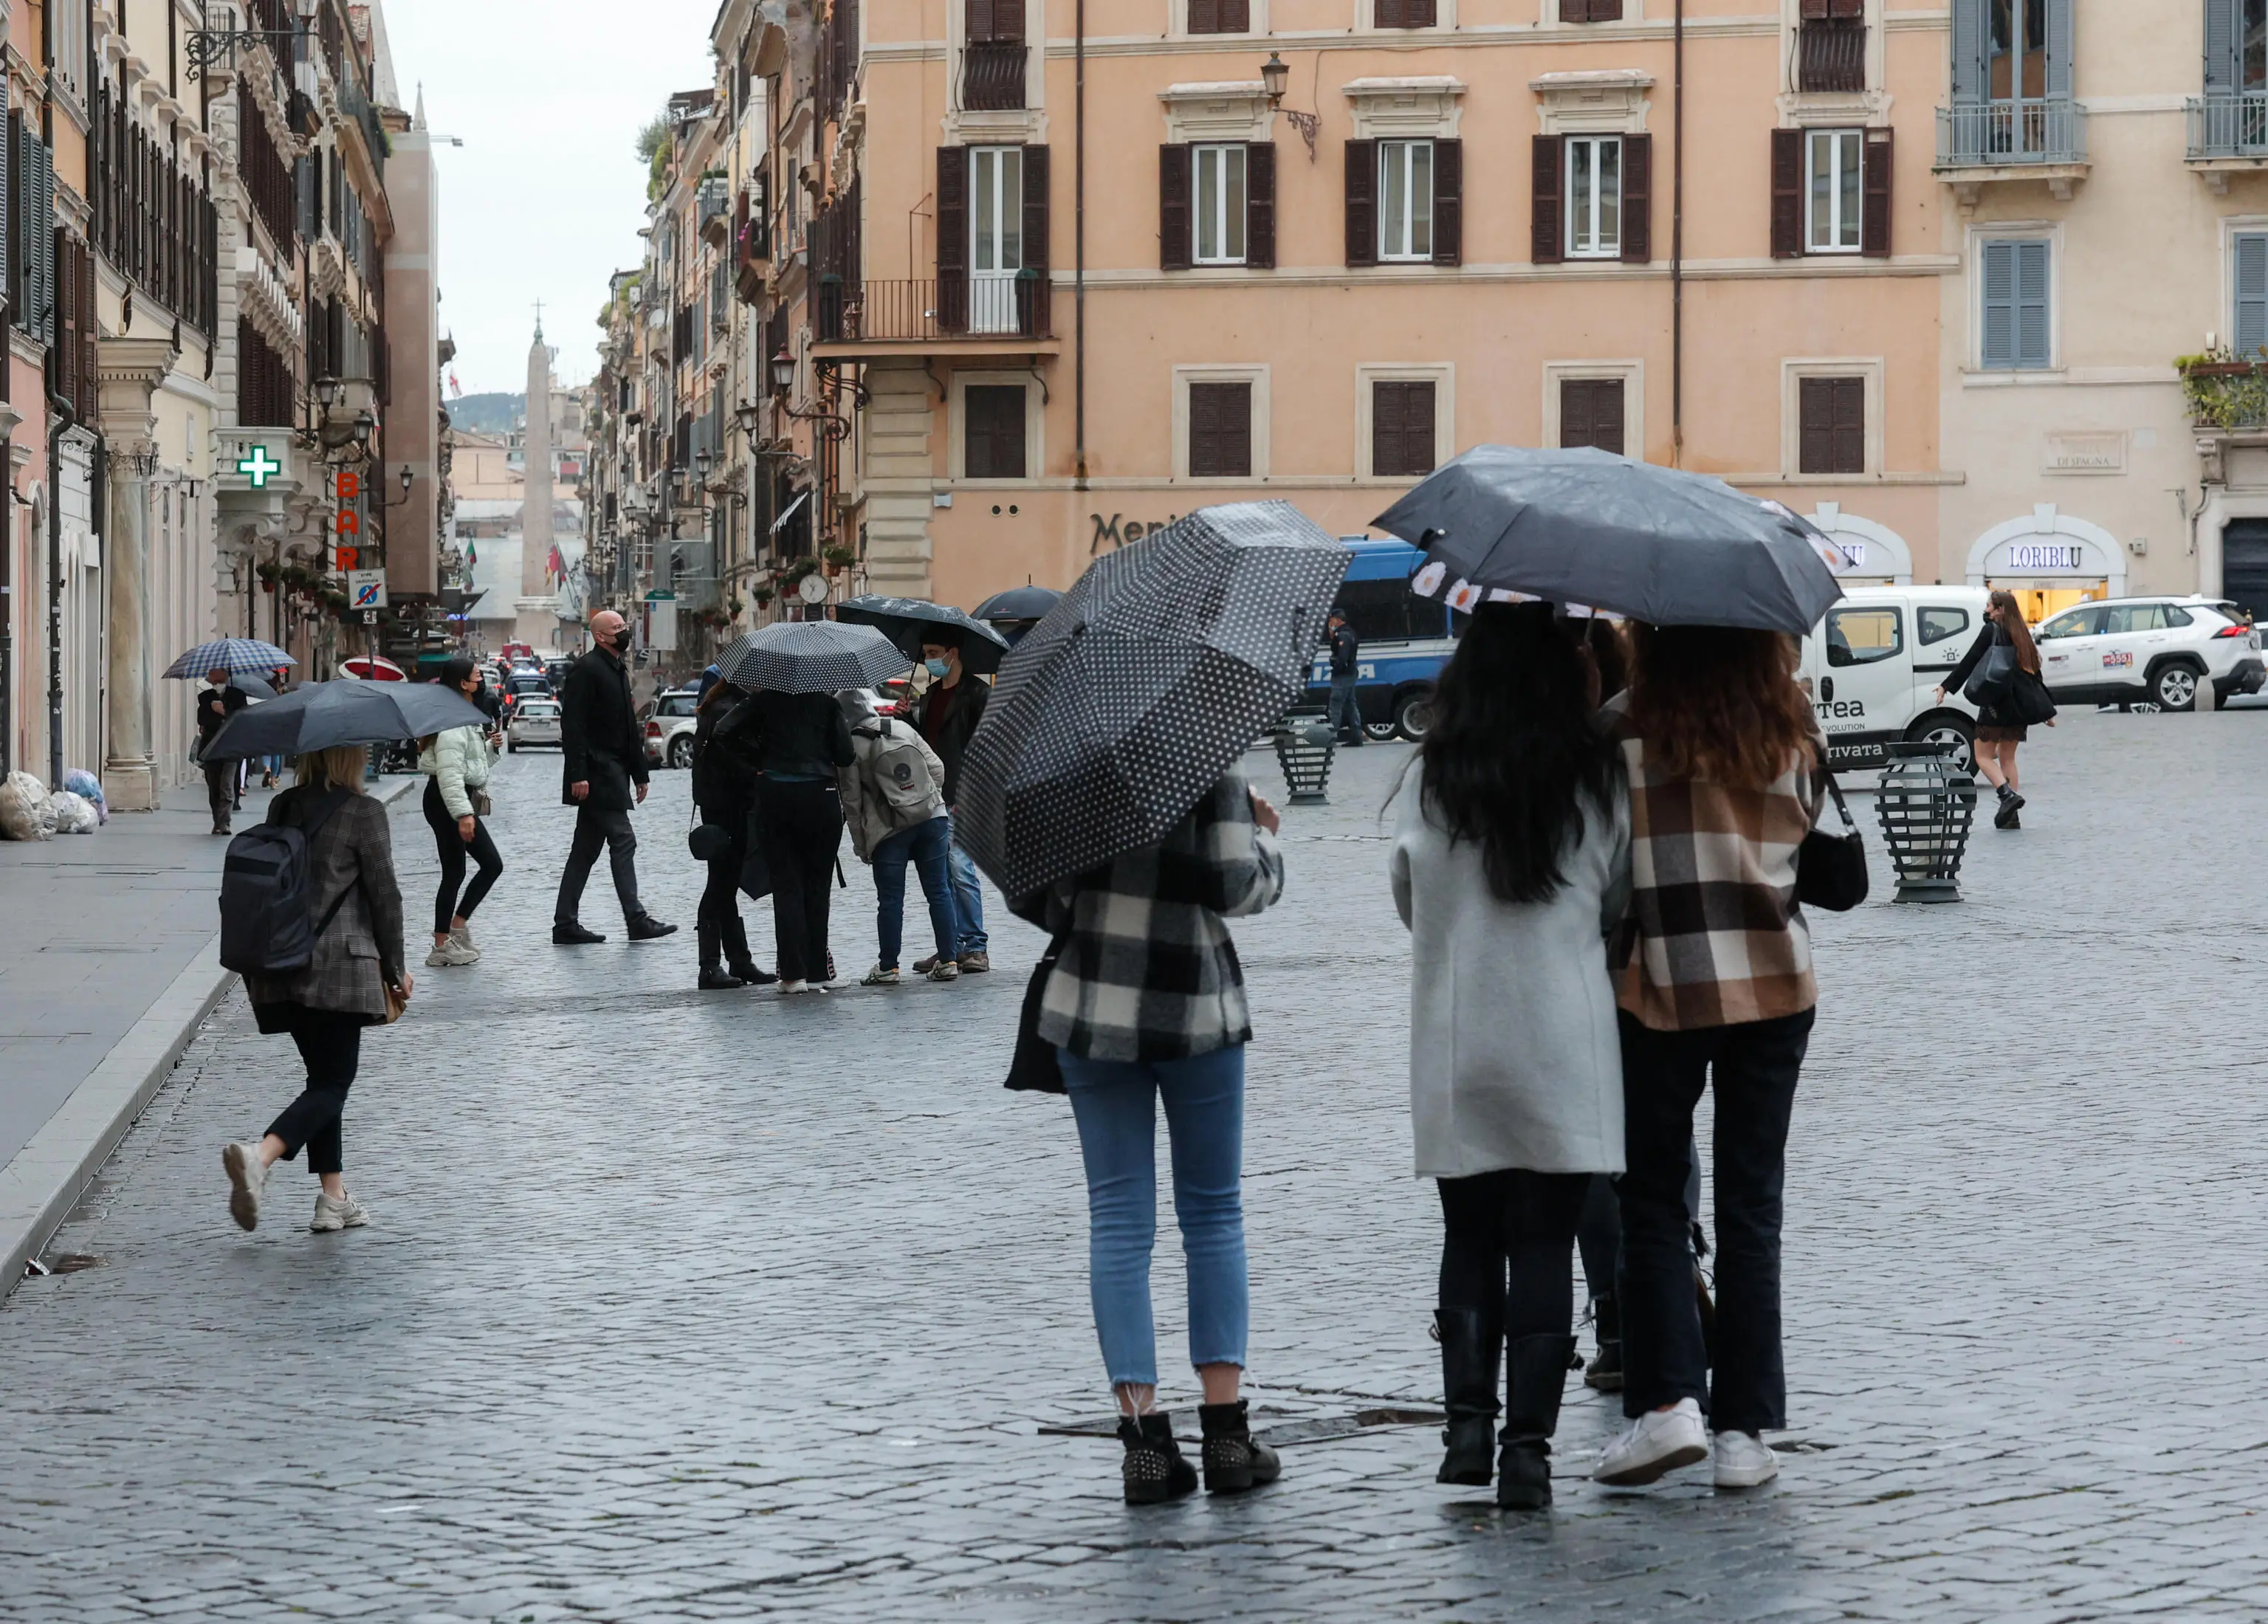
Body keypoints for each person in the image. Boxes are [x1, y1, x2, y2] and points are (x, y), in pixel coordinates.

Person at [1388, 603, 1630, 1510]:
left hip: (1463, 1036)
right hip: (1565, 1035)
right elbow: (1618, 897)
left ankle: (1466, 1429)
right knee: (1544, 1242)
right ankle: (1528, 1449)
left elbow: (1410, 896)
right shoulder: (1595, 773)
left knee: (1469, 1234)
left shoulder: (1434, 777)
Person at [1592, 622, 1824, 1495]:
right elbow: (1800, 837)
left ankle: (1667, 1408)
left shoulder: (1621, 726)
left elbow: (1607, 866)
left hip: (1662, 984)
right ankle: (1743, 1434)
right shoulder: (1790, 718)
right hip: (1774, 981)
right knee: (1751, 1207)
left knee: (1650, 1196)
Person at [1031, 768, 1286, 1505]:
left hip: (1093, 1004)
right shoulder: (1207, 766)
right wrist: (1266, 835)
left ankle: (1144, 1447)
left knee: (1117, 1218)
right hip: (1195, 1005)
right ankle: (1227, 1436)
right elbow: (1242, 886)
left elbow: (1047, 898)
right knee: (1212, 1213)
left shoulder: (1064, 773)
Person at [219, 744, 409, 1235]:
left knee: (323, 1080)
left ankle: (333, 1198)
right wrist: (396, 967)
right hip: (341, 968)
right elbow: (384, 893)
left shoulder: (285, 805)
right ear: (350, 758)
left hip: (284, 962)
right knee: (333, 1083)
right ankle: (259, 1157)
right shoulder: (365, 812)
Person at [553, 608, 676, 945]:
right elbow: (573, 727)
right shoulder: (587, 670)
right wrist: (578, 774)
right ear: (599, 636)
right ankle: (636, 919)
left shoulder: (617, 668)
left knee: (584, 850)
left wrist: (640, 773)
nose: (624, 632)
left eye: (625, 626)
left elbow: (626, 727)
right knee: (624, 839)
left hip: (613, 771)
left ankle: (564, 924)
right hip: (596, 773)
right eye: (617, 628)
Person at [728, 681, 855, 993]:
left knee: (786, 886)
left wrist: (760, 758)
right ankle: (817, 972)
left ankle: (792, 974)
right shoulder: (827, 704)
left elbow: (724, 731)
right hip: (820, 795)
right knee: (818, 886)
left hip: (777, 793)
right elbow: (846, 754)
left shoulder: (762, 702)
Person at [838, 689, 960, 986]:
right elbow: (938, 769)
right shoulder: (901, 727)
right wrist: (920, 798)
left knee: (891, 899)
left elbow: (851, 803)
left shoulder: (850, 747)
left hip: (888, 830)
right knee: (939, 890)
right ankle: (949, 961)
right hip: (932, 818)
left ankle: (888, 967)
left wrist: (861, 843)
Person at [1935, 588, 2054, 830]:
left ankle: (2007, 796)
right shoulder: (2022, 633)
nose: (1986, 610)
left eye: (1990, 606)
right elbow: (2035, 674)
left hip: (1995, 703)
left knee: (1982, 756)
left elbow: (1971, 660)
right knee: (2008, 757)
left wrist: (1946, 687)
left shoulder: (1991, 630)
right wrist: (2047, 711)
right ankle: (2012, 816)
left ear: (2000, 610)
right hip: (2018, 707)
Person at [417, 658, 504, 969]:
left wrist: (490, 749)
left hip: (453, 799)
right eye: (476, 675)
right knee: (461, 870)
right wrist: (464, 814)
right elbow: (450, 775)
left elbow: (473, 769)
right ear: (463, 684)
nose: (481, 679)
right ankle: (443, 944)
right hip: (447, 801)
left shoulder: (465, 716)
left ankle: (454, 930)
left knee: (481, 867)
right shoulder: (454, 722)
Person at [913, 634, 992, 974]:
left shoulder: (977, 694)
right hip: (931, 794)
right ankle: (950, 946)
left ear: (953, 653)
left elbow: (986, 747)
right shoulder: (929, 695)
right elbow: (925, 745)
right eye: (926, 654)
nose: (928, 659)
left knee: (960, 869)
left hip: (961, 794)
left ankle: (975, 946)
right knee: (940, 875)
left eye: (933, 653)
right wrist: (907, 720)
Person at [689, 678, 774, 989]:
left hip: (722, 806)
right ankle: (710, 966)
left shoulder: (722, 704)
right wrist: (756, 772)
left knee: (725, 885)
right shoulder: (728, 710)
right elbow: (730, 758)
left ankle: (739, 960)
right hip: (727, 807)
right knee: (720, 884)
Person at [196, 667, 249, 835]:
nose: (215, 681)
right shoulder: (204, 697)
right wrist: (213, 714)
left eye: (218, 678)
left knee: (227, 786)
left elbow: (242, 717)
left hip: (231, 746)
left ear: (225, 677)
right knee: (214, 786)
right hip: (211, 747)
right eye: (212, 677)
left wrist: (224, 712)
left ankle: (224, 823)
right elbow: (202, 719)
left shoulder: (238, 695)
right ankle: (217, 821)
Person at [1325, 608, 1363, 746]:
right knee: (1351, 705)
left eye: (1331, 620)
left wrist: (1335, 671)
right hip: (1350, 672)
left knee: (1335, 706)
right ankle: (1357, 736)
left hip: (1343, 675)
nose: (1330, 623)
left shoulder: (1343, 635)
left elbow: (1342, 657)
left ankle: (1330, 739)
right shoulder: (1349, 632)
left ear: (1337, 619)